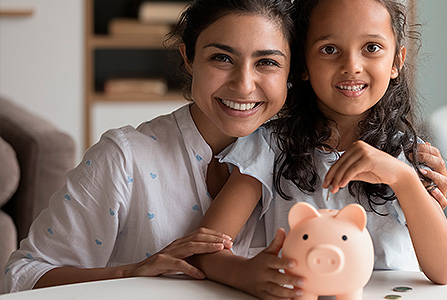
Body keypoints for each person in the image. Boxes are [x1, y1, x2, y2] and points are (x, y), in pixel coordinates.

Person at [0, 0, 296, 293]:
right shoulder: (125, 158)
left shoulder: (305, 161)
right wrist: (133, 272)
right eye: (221, 58)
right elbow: (21, 277)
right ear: (189, 58)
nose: (243, 84)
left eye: (267, 62)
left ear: (292, 72)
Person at [193, 0, 447, 298]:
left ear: (397, 62)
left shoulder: (408, 157)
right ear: (303, 65)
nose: (352, 66)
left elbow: (445, 270)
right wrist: (245, 273)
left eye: (371, 48)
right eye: (329, 49)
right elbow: (204, 249)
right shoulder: (269, 147)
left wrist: (403, 179)